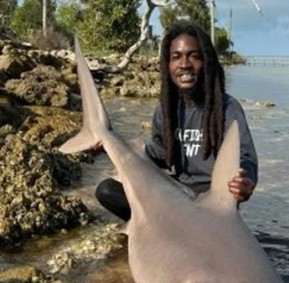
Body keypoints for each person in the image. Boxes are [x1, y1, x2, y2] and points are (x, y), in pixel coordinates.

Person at [94, 21, 258, 221]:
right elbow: (161, 154)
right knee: (107, 191)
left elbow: (245, 158)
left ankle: (169, 227)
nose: (185, 64)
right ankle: (160, 229)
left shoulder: (227, 108)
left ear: (206, 62)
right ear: (168, 64)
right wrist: (111, 147)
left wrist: (245, 180)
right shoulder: (166, 110)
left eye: (194, 56)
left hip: (213, 200)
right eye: (176, 57)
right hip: (176, 192)